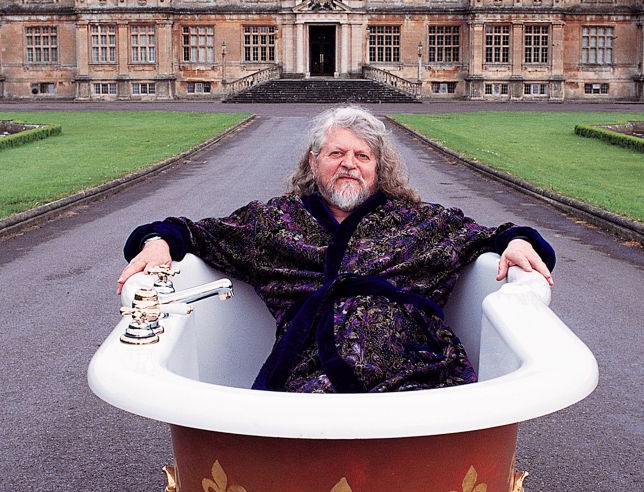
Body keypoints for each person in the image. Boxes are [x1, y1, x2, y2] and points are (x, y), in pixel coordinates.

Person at [118, 107, 555, 395]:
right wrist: (157, 242)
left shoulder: (419, 221)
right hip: (312, 375)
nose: (350, 163)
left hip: (418, 372)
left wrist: (518, 242)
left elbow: (490, 235)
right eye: (337, 153)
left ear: (378, 168)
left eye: (363, 156)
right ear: (314, 162)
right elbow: (195, 233)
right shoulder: (275, 222)